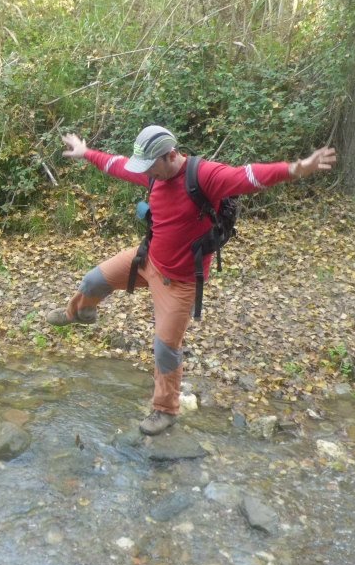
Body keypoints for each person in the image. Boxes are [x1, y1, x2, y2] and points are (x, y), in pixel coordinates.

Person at [47, 125, 337, 435]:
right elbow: (116, 165)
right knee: (93, 281)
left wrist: (296, 169)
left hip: (180, 281)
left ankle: (165, 410)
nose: (146, 173)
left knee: (165, 348)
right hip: (147, 260)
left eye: (150, 167)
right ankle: (79, 313)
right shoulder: (151, 171)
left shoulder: (205, 177)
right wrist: (86, 152)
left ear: (170, 155)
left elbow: (249, 176)